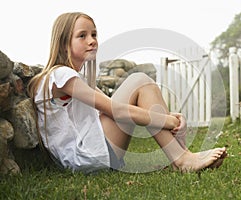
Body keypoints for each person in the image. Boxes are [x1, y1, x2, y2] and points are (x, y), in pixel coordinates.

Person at [27, 12, 227, 173]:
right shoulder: (61, 75)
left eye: (94, 34)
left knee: (140, 82)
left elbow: (108, 107)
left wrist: (166, 117)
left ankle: (181, 157)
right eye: (82, 35)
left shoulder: (75, 79)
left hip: (90, 153)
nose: (92, 40)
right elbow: (117, 111)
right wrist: (168, 121)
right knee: (139, 80)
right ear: (63, 44)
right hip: (84, 155)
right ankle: (182, 159)